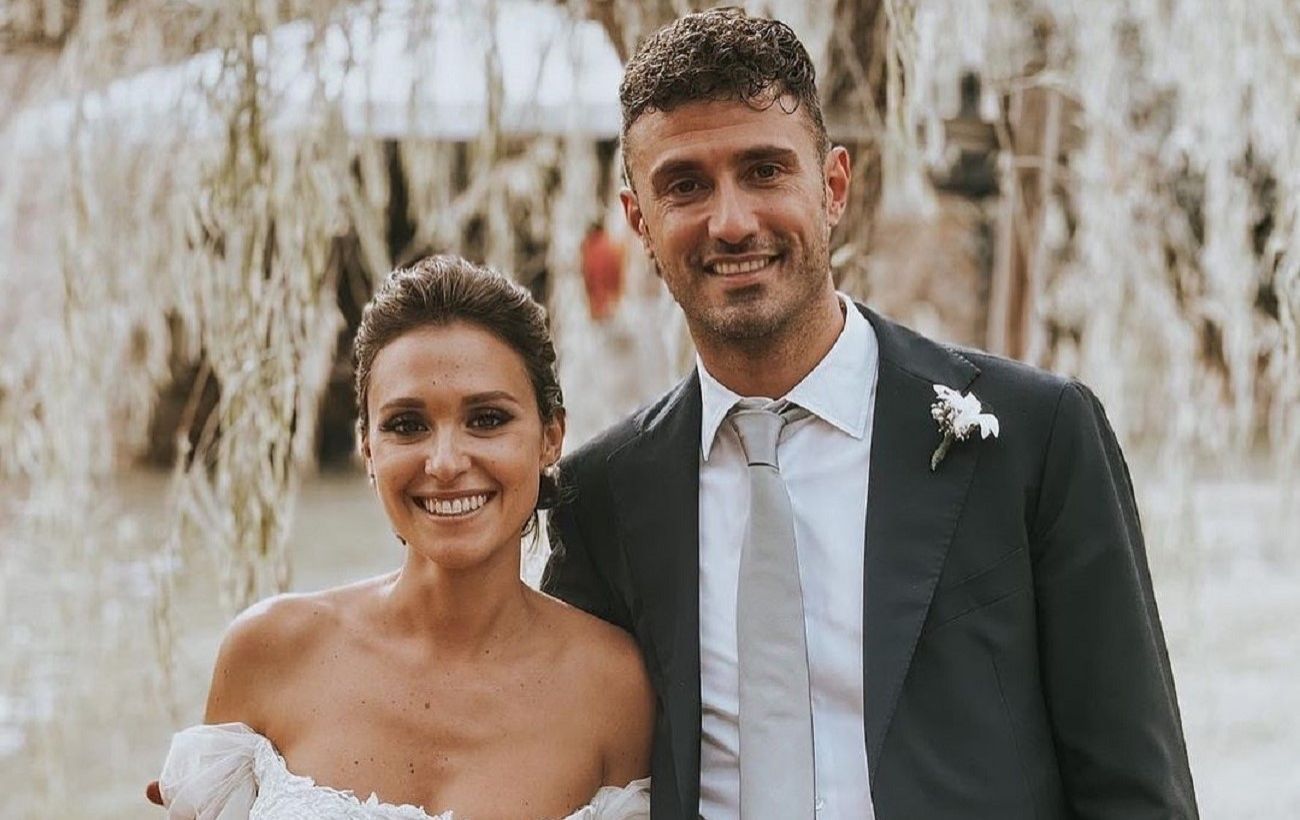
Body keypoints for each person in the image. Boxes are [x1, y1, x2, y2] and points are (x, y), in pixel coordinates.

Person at [541, 8, 1198, 820]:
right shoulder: (602, 498)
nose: (732, 221)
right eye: (685, 186)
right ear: (639, 220)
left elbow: (1136, 791)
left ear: (833, 187)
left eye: (765, 171)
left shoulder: (1037, 437)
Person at [152, 255, 654, 819]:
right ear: (369, 449)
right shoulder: (268, 651)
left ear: (550, 437)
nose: (445, 462)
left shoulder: (617, 690)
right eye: (407, 425)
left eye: (487, 419)